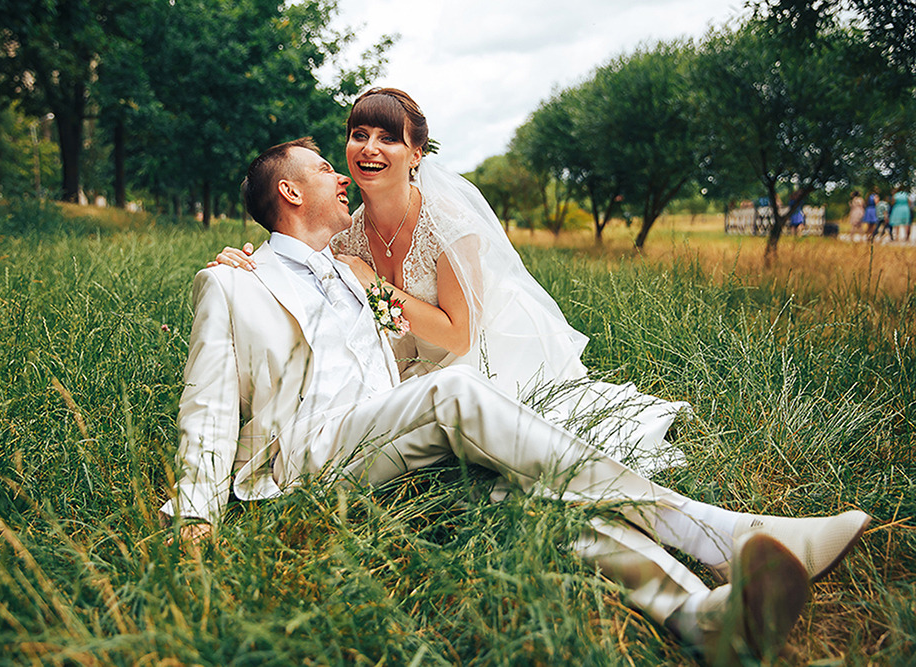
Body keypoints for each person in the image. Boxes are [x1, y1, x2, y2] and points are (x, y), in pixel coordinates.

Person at [164, 137, 871, 662]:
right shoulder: (233, 282)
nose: (340, 175)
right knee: (455, 391)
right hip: (307, 463)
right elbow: (206, 405)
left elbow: (414, 346)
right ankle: (716, 531)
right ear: (288, 193)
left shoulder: (353, 274)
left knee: (528, 493)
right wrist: (194, 523)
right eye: (324, 167)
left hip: (386, 450)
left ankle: (698, 615)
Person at [213, 88, 688, 477]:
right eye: (359, 135)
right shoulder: (347, 233)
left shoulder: (447, 223)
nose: (369, 148)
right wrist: (242, 258)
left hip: (484, 351)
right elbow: (298, 249)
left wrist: (376, 286)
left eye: (388, 138)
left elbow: (460, 334)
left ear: (415, 154)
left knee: (514, 443)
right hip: (411, 367)